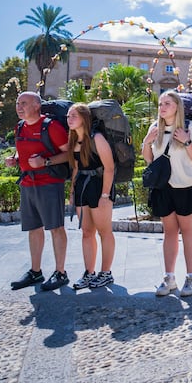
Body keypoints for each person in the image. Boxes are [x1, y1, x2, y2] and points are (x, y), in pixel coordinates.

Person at [142, 91, 192, 297]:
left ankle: (191, 277)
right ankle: (169, 278)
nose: (162, 107)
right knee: (169, 233)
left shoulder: (190, 128)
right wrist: (146, 141)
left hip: (187, 186)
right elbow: (149, 160)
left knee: (188, 231)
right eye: (160, 103)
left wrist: (187, 142)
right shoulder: (155, 128)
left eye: (167, 103)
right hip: (164, 187)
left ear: (177, 106)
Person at [6, 91, 71, 291]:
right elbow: (21, 148)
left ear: (36, 105)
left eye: (23, 103)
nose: (19, 106)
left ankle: (61, 273)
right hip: (28, 183)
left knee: (55, 228)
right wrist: (15, 158)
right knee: (33, 229)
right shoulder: (19, 127)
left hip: (50, 183)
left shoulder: (51, 127)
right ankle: (36, 272)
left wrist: (46, 161)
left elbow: (69, 153)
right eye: (18, 103)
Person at [67, 103, 116, 289]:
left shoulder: (97, 138)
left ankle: (106, 273)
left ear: (84, 119)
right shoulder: (74, 140)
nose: (69, 119)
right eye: (68, 116)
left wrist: (105, 195)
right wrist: (72, 192)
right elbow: (76, 168)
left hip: (99, 187)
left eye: (73, 116)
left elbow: (110, 168)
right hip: (82, 187)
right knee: (87, 232)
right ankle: (89, 273)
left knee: (104, 231)